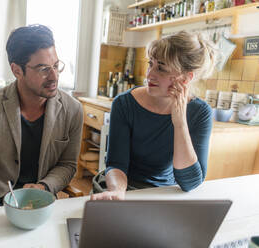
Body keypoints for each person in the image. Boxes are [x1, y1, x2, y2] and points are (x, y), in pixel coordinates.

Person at [0, 24, 83, 207]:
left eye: (56, 66)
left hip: (37, 200)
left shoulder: (73, 110)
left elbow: (67, 165)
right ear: (17, 70)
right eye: (43, 69)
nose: (54, 76)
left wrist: (44, 186)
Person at [91, 31, 216, 201]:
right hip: (122, 186)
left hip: (164, 194)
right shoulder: (124, 104)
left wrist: (180, 123)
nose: (149, 74)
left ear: (186, 78)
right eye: (151, 64)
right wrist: (118, 192)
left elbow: (190, 182)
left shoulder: (200, 113)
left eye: (161, 68)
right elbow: (116, 164)